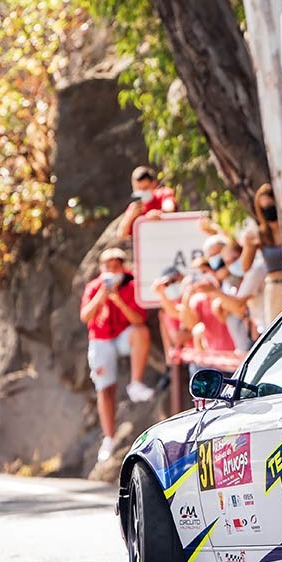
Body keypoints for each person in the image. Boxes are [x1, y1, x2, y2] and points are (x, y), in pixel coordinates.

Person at [79, 248, 154, 463]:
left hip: (123, 336)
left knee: (141, 332)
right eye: (108, 266)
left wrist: (118, 299)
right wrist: (101, 296)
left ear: (122, 266)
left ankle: (135, 384)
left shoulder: (131, 285)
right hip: (101, 339)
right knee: (105, 388)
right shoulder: (94, 287)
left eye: (116, 266)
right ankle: (109, 438)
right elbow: (85, 316)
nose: (112, 270)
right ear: (101, 268)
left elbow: (138, 320)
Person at [239, 184, 282, 324]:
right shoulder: (260, 234)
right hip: (276, 286)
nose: (268, 210)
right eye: (264, 208)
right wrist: (249, 245)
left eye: (270, 205)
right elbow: (245, 266)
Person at [118, 166, 177, 241]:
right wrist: (131, 216)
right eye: (138, 188)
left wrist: (160, 213)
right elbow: (121, 235)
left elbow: (169, 207)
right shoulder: (134, 207)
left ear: (153, 184)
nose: (141, 192)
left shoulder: (164, 193)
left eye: (145, 188)